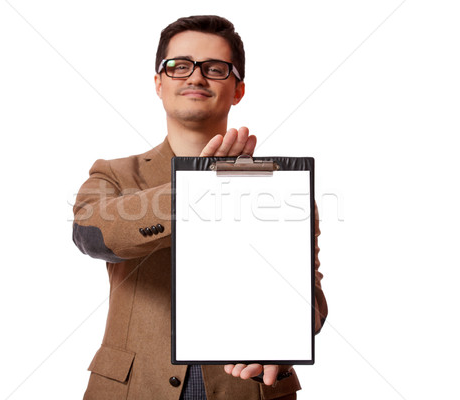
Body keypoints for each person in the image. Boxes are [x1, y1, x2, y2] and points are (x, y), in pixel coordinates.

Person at [72, 15, 328, 400]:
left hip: (248, 389)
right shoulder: (114, 174)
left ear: (238, 89)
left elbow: (312, 298)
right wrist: (196, 190)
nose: (195, 77)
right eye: (179, 66)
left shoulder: (283, 187)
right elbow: (92, 234)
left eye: (214, 68)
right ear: (158, 84)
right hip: (132, 389)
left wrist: (284, 335)